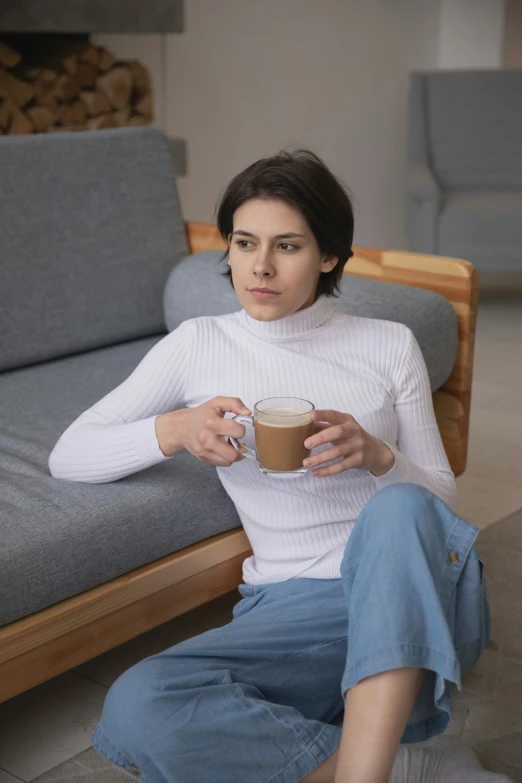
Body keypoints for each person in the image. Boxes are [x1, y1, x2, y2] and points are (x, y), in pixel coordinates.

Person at [49, 150, 502, 783]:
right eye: (244, 243)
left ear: (328, 256)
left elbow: (440, 505)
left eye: (287, 245)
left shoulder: (387, 344)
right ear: (228, 250)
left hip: (420, 590)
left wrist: (378, 457)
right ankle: (405, 763)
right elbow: (69, 454)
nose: (260, 266)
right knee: (139, 703)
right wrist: (177, 428)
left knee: (399, 505)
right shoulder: (199, 343)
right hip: (289, 609)